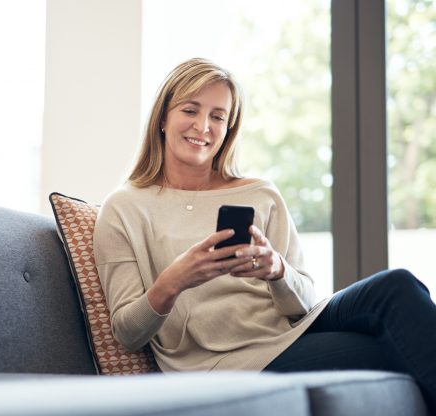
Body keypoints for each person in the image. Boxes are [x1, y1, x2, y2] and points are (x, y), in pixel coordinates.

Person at [93, 57, 436, 412]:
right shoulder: (124, 207)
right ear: (163, 116)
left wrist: (278, 271)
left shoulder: (260, 194)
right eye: (190, 110)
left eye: (217, 116)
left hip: (293, 331)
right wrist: (176, 279)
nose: (203, 126)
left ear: (229, 127)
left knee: (397, 286)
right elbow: (127, 332)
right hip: (225, 363)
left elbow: (303, 303)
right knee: (398, 346)